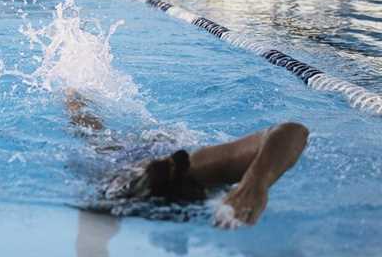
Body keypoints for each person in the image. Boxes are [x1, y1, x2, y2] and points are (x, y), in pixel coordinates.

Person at [65, 89, 308, 229]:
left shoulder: (198, 166)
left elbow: (291, 131)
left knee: (97, 134)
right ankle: (74, 95)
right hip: (128, 164)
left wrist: (255, 182)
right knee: (94, 133)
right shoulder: (115, 198)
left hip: (129, 159)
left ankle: (74, 94)